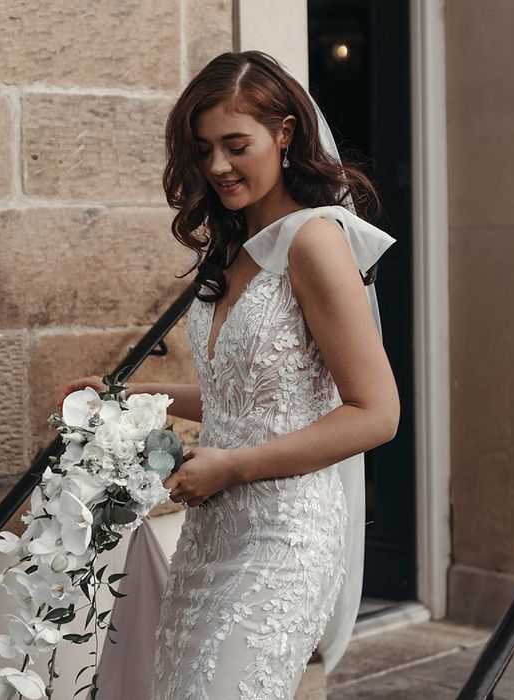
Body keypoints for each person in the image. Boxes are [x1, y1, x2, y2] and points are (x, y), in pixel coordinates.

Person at [61, 50, 400, 700]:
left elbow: (376, 413)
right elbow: (237, 398)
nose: (217, 166)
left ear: (284, 133)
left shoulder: (314, 242)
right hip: (213, 533)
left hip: (284, 535)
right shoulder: (234, 248)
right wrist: (125, 396)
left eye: (235, 144)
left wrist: (234, 467)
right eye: (204, 148)